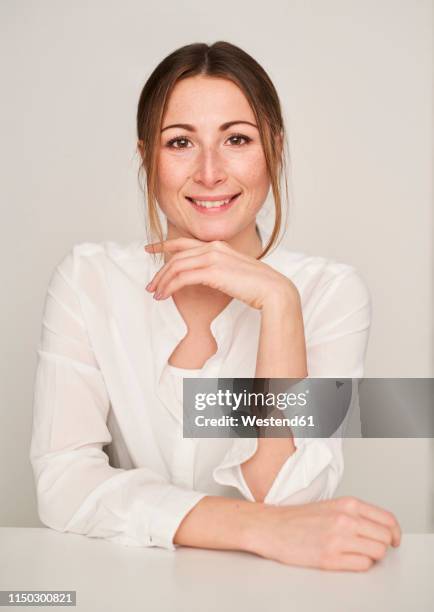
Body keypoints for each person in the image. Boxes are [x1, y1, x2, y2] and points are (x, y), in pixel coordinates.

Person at [29, 41, 401, 573]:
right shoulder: (89, 280)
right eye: (180, 142)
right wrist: (252, 528)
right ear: (145, 158)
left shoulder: (328, 292)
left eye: (237, 139)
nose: (209, 172)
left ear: (273, 148)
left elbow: (285, 498)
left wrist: (278, 305)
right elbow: (63, 480)